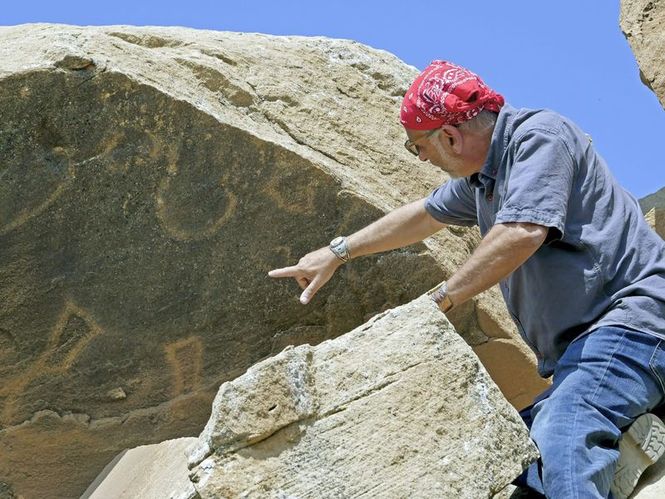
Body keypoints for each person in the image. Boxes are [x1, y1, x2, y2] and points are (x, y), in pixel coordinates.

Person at [268, 60, 665, 498]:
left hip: (633, 327)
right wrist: (338, 252)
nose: (421, 158)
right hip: (582, 356)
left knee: (564, 431)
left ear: (450, 136)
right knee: (521, 465)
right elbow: (422, 215)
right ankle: (627, 449)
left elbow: (521, 233)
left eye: (417, 147)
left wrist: (440, 301)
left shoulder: (540, 138)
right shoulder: (483, 181)